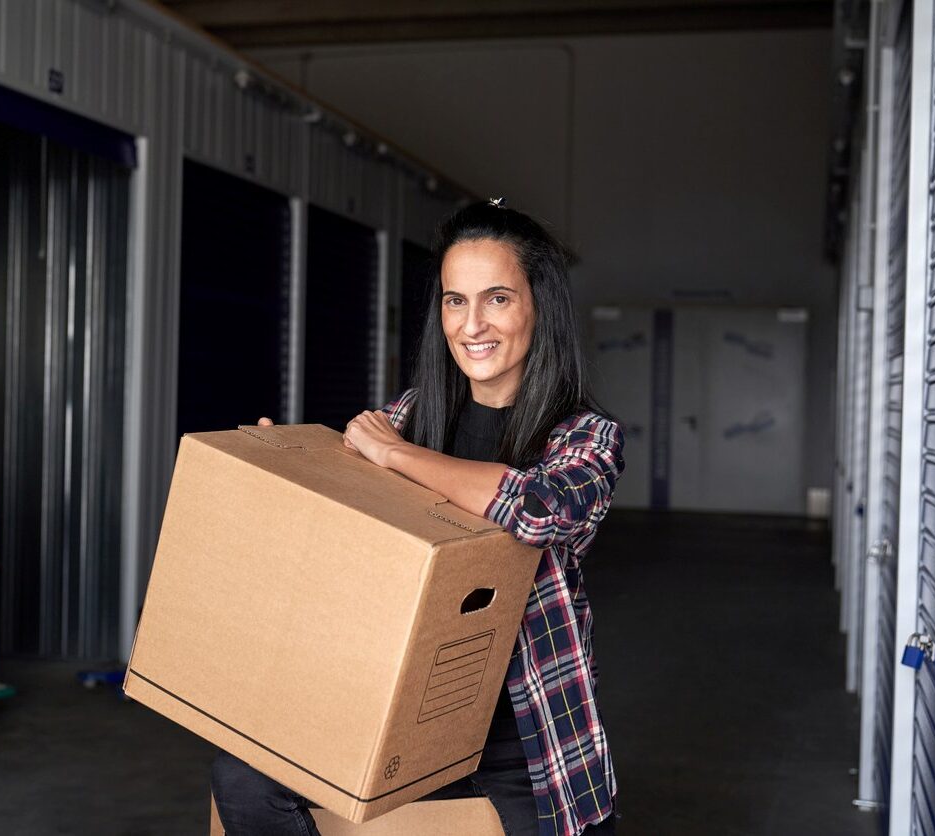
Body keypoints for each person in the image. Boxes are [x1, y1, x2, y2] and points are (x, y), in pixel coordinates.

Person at [212, 199, 625, 835]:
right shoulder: (414, 414)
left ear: (539, 306)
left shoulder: (584, 437)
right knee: (243, 774)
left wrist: (397, 455)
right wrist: (284, 469)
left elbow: (539, 510)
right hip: (408, 720)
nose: (472, 323)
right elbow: (344, 496)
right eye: (455, 300)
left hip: (525, 744)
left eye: (496, 298)